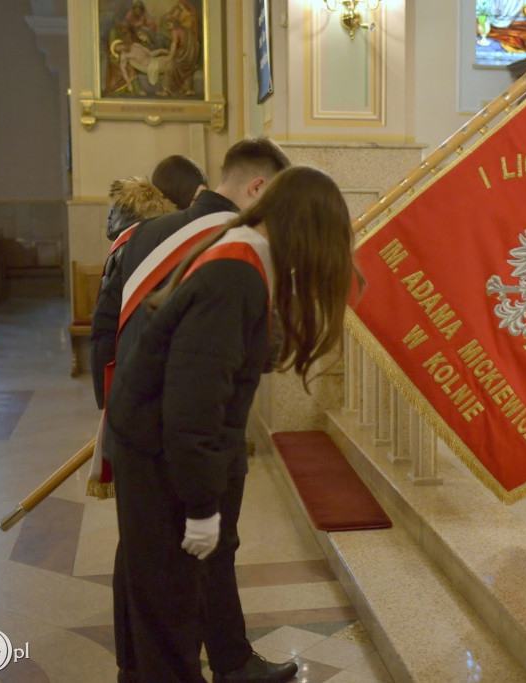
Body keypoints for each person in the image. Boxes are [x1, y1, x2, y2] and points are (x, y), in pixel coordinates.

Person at [104, 166, 356, 682]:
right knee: (168, 607)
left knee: (164, 595)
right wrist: (200, 508)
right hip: (158, 449)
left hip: (155, 440)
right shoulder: (235, 271)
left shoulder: (239, 249)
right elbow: (193, 407)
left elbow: (226, 356)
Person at [89, 138, 295, 682]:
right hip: (189, 427)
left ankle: (165, 664)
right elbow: (227, 358)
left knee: (144, 559)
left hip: (139, 421)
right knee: (202, 552)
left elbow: (105, 328)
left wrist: (112, 412)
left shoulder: (143, 234)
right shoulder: (235, 244)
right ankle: (220, 664)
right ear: (257, 188)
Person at [92, 154, 209, 409]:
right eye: (197, 198)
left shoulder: (155, 235)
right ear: (180, 195)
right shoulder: (140, 240)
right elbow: (106, 321)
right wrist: (107, 396)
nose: (200, 207)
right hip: (137, 376)